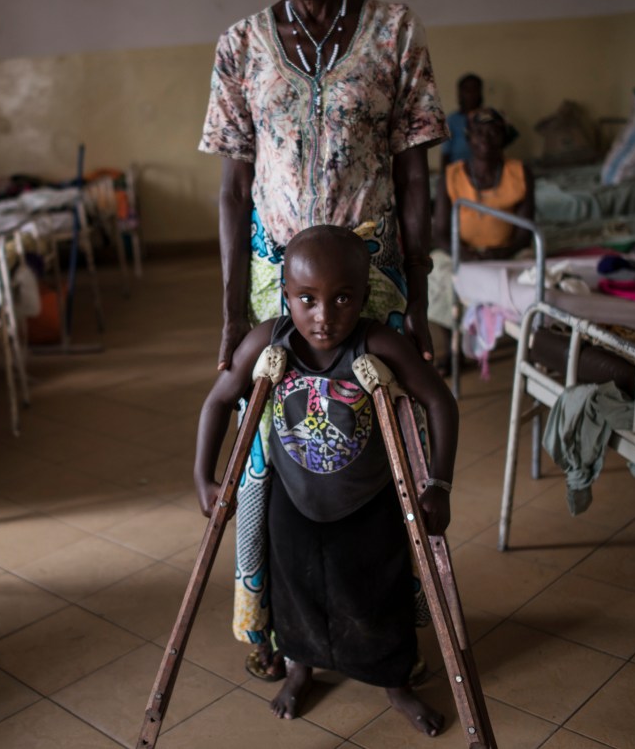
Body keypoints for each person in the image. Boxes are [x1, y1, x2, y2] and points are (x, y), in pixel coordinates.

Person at [199, 0, 449, 679]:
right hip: (281, 292)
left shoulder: (395, 30)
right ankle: (283, 633)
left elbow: (415, 175)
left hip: (368, 284)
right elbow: (233, 190)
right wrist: (234, 311)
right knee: (274, 464)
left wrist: (420, 292)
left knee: (380, 459)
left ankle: (390, 633)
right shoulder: (240, 45)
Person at [193, 226, 459, 736]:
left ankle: (395, 682)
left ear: (363, 296)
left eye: (342, 298)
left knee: (377, 596)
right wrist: (204, 478)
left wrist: (438, 484)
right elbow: (219, 400)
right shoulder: (267, 341)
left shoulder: (377, 342)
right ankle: (299, 668)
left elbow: (439, 401)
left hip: (370, 501)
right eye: (307, 300)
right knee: (297, 591)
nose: (324, 316)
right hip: (293, 500)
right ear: (286, 294)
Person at [434, 107, 536, 261]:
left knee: (532, 274)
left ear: (504, 137)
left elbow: (525, 233)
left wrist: (503, 252)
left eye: (493, 132)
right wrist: (462, 253)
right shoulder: (450, 176)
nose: (485, 138)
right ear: (468, 137)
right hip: (460, 253)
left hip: (509, 252)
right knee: (438, 273)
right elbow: (440, 233)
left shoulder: (520, 173)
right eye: (478, 132)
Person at [441, 73, 483, 168]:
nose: (471, 94)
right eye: (467, 90)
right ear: (460, 93)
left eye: (475, 89)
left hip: (484, 170)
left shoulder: (487, 118)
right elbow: (446, 153)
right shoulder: (452, 120)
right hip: (457, 170)